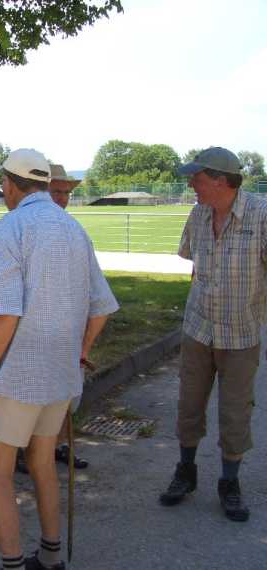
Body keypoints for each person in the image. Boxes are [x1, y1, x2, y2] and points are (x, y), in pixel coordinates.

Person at [0, 149, 118, 570]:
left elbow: (6, 310)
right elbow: (102, 307)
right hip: (60, 373)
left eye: (3, 184)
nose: (2, 192)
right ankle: (51, 555)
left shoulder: (13, 224)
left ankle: (14, 564)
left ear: (13, 184)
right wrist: (81, 352)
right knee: (42, 461)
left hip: (16, 374)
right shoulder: (73, 227)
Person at [158, 147, 267, 522]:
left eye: (197, 178)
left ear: (221, 181)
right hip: (198, 329)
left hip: (241, 334)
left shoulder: (262, 214)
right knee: (189, 405)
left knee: (235, 412)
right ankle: (186, 473)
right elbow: (193, 263)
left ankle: (229, 483)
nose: (192, 184)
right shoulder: (199, 212)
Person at [16, 164, 88, 475]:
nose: (62, 198)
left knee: (65, 396)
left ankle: (55, 446)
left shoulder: (72, 229)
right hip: (32, 332)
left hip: (65, 330)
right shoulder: (24, 225)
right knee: (29, 395)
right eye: (57, 191)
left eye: (66, 193)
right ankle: (24, 450)